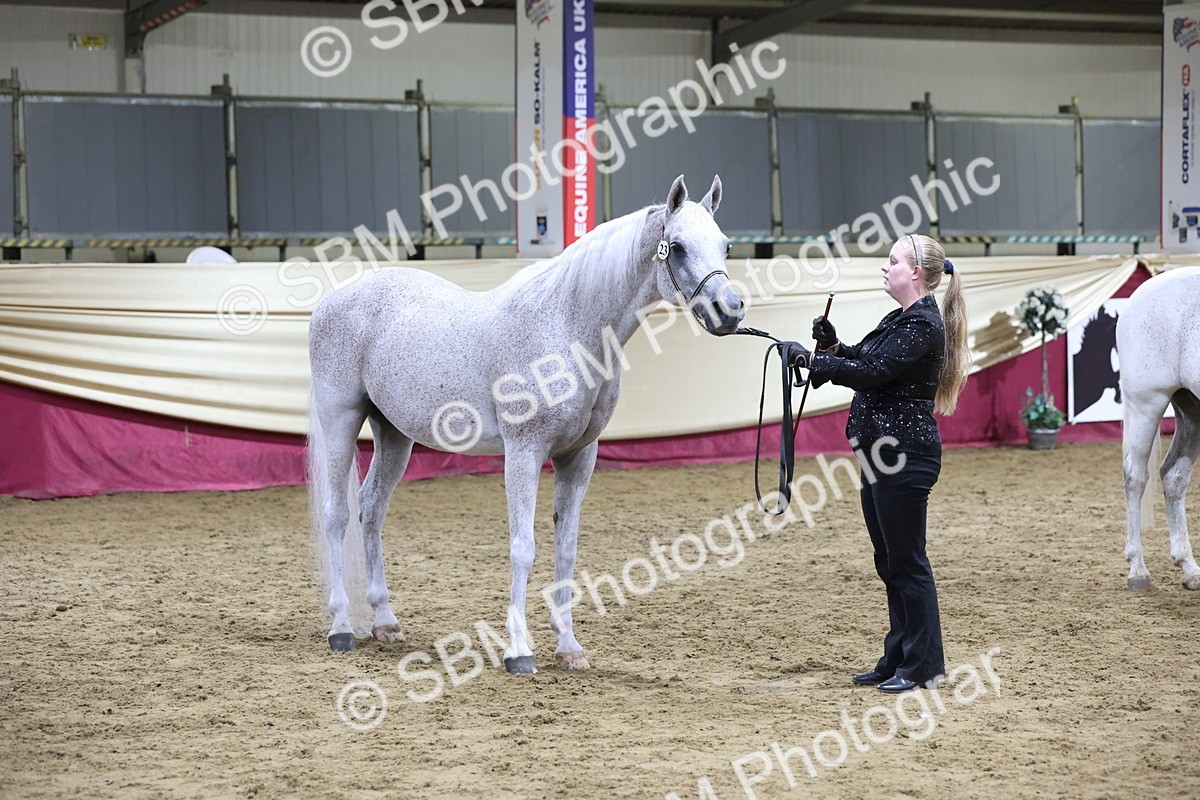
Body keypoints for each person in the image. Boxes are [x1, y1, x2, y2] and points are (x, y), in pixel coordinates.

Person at [782, 234, 970, 693]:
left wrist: (814, 361)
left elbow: (873, 374)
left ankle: (923, 665)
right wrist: (834, 346)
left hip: (905, 457)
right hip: (884, 456)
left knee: (907, 562)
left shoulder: (924, 324)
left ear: (917, 273)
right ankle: (899, 656)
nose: (886, 269)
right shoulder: (902, 320)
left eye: (893, 262)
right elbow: (868, 360)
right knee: (890, 561)